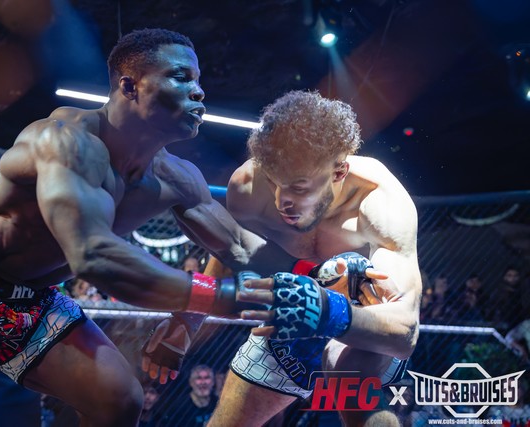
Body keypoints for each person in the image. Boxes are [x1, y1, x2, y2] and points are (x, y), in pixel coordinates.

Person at [0, 28, 292, 425]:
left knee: (119, 400)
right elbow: (93, 255)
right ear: (129, 86)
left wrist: (318, 276)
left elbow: (241, 247)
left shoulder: (178, 179)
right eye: (181, 77)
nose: (199, 92)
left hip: (32, 300)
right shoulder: (66, 141)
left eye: (198, 80)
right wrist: (217, 297)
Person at [144, 91, 422, 426]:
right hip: (287, 323)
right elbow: (232, 252)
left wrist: (325, 311)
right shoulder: (249, 188)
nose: (281, 201)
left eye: (299, 188)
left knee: (353, 378)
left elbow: (404, 331)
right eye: (274, 182)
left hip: (359, 333)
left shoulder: (380, 204)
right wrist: (186, 321)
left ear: (339, 172)